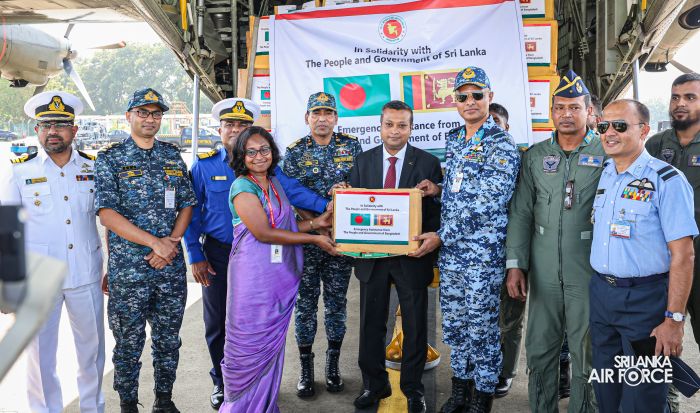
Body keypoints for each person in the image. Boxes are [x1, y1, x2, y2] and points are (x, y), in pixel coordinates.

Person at [183, 98, 331, 409]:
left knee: (260, 325)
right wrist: (195, 255)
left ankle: (258, 388)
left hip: (265, 261)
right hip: (220, 253)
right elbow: (191, 213)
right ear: (221, 129)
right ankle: (223, 382)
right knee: (220, 323)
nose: (236, 130)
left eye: (243, 125)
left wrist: (329, 207)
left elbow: (295, 192)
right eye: (230, 124)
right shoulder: (205, 166)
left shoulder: (270, 175)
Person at [411, 66, 521, 413]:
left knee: (482, 329)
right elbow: (463, 189)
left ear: (490, 97)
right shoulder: (456, 138)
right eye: (463, 96)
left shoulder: (501, 143)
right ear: (455, 101)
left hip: (482, 256)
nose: (470, 101)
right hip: (453, 255)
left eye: (477, 95)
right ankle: (460, 390)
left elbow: (488, 201)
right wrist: (439, 189)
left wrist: (441, 236)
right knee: (455, 325)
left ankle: (482, 397)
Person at [0, 91, 105, 412]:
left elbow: (109, 220)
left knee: (92, 353)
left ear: (74, 130)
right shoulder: (20, 171)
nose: (52, 132)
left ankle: (92, 408)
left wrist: (112, 268)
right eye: (45, 126)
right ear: (36, 130)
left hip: (85, 273)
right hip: (38, 280)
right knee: (39, 357)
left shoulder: (94, 168)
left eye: (60, 125)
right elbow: (7, 230)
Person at [219, 126, 337, 412]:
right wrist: (315, 239)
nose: (259, 156)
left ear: (272, 152)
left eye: (264, 150)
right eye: (251, 152)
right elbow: (264, 233)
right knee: (250, 343)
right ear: (241, 156)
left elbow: (286, 225)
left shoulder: (274, 183)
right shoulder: (242, 187)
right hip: (252, 277)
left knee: (271, 343)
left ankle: (265, 405)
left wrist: (317, 222)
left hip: (275, 274)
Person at [590, 98, 697, 412]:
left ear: (644, 130)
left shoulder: (667, 181)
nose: (610, 132)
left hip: (645, 302)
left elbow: (684, 255)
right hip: (602, 297)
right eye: (603, 126)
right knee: (607, 391)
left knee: (643, 399)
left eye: (620, 125)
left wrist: (674, 320)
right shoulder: (606, 173)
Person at [94, 88, 197, 413]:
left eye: (155, 113)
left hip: (169, 269)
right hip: (130, 272)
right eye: (143, 112)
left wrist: (170, 244)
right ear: (129, 116)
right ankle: (128, 404)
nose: (150, 119)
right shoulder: (110, 159)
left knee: (168, 340)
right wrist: (156, 243)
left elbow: (187, 204)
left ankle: (164, 401)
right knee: (128, 343)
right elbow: (107, 214)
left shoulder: (172, 156)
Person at [505, 70, 601, 412]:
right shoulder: (535, 156)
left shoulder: (607, 152)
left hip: (588, 269)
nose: (566, 114)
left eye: (574, 107)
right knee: (540, 348)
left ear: (589, 111)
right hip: (544, 271)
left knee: (587, 350)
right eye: (559, 107)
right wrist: (516, 265)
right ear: (551, 112)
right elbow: (521, 214)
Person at [345, 100, 441, 413]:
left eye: (402, 125)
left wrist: (431, 239)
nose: (395, 131)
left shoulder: (428, 163)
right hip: (372, 258)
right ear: (380, 126)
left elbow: (435, 213)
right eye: (389, 124)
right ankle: (374, 385)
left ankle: (413, 389)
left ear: (411, 128)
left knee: (415, 326)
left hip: (411, 257)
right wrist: (341, 196)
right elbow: (354, 207)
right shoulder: (363, 161)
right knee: (371, 324)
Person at [282, 92, 363, 397]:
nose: (322, 119)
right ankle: (306, 368)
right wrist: (318, 224)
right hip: (306, 239)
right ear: (307, 118)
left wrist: (348, 192)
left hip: (340, 242)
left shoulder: (351, 146)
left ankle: (332, 366)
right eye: (316, 113)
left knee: (336, 305)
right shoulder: (294, 152)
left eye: (328, 113)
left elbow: (360, 187)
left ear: (336, 118)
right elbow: (290, 194)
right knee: (304, 306)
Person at [644, 72, 700, 413]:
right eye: (676, 97)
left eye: (690, 97)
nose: (680, 103)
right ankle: (665, 403)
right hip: (662, 261)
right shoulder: (655, 144)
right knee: (659, 335)